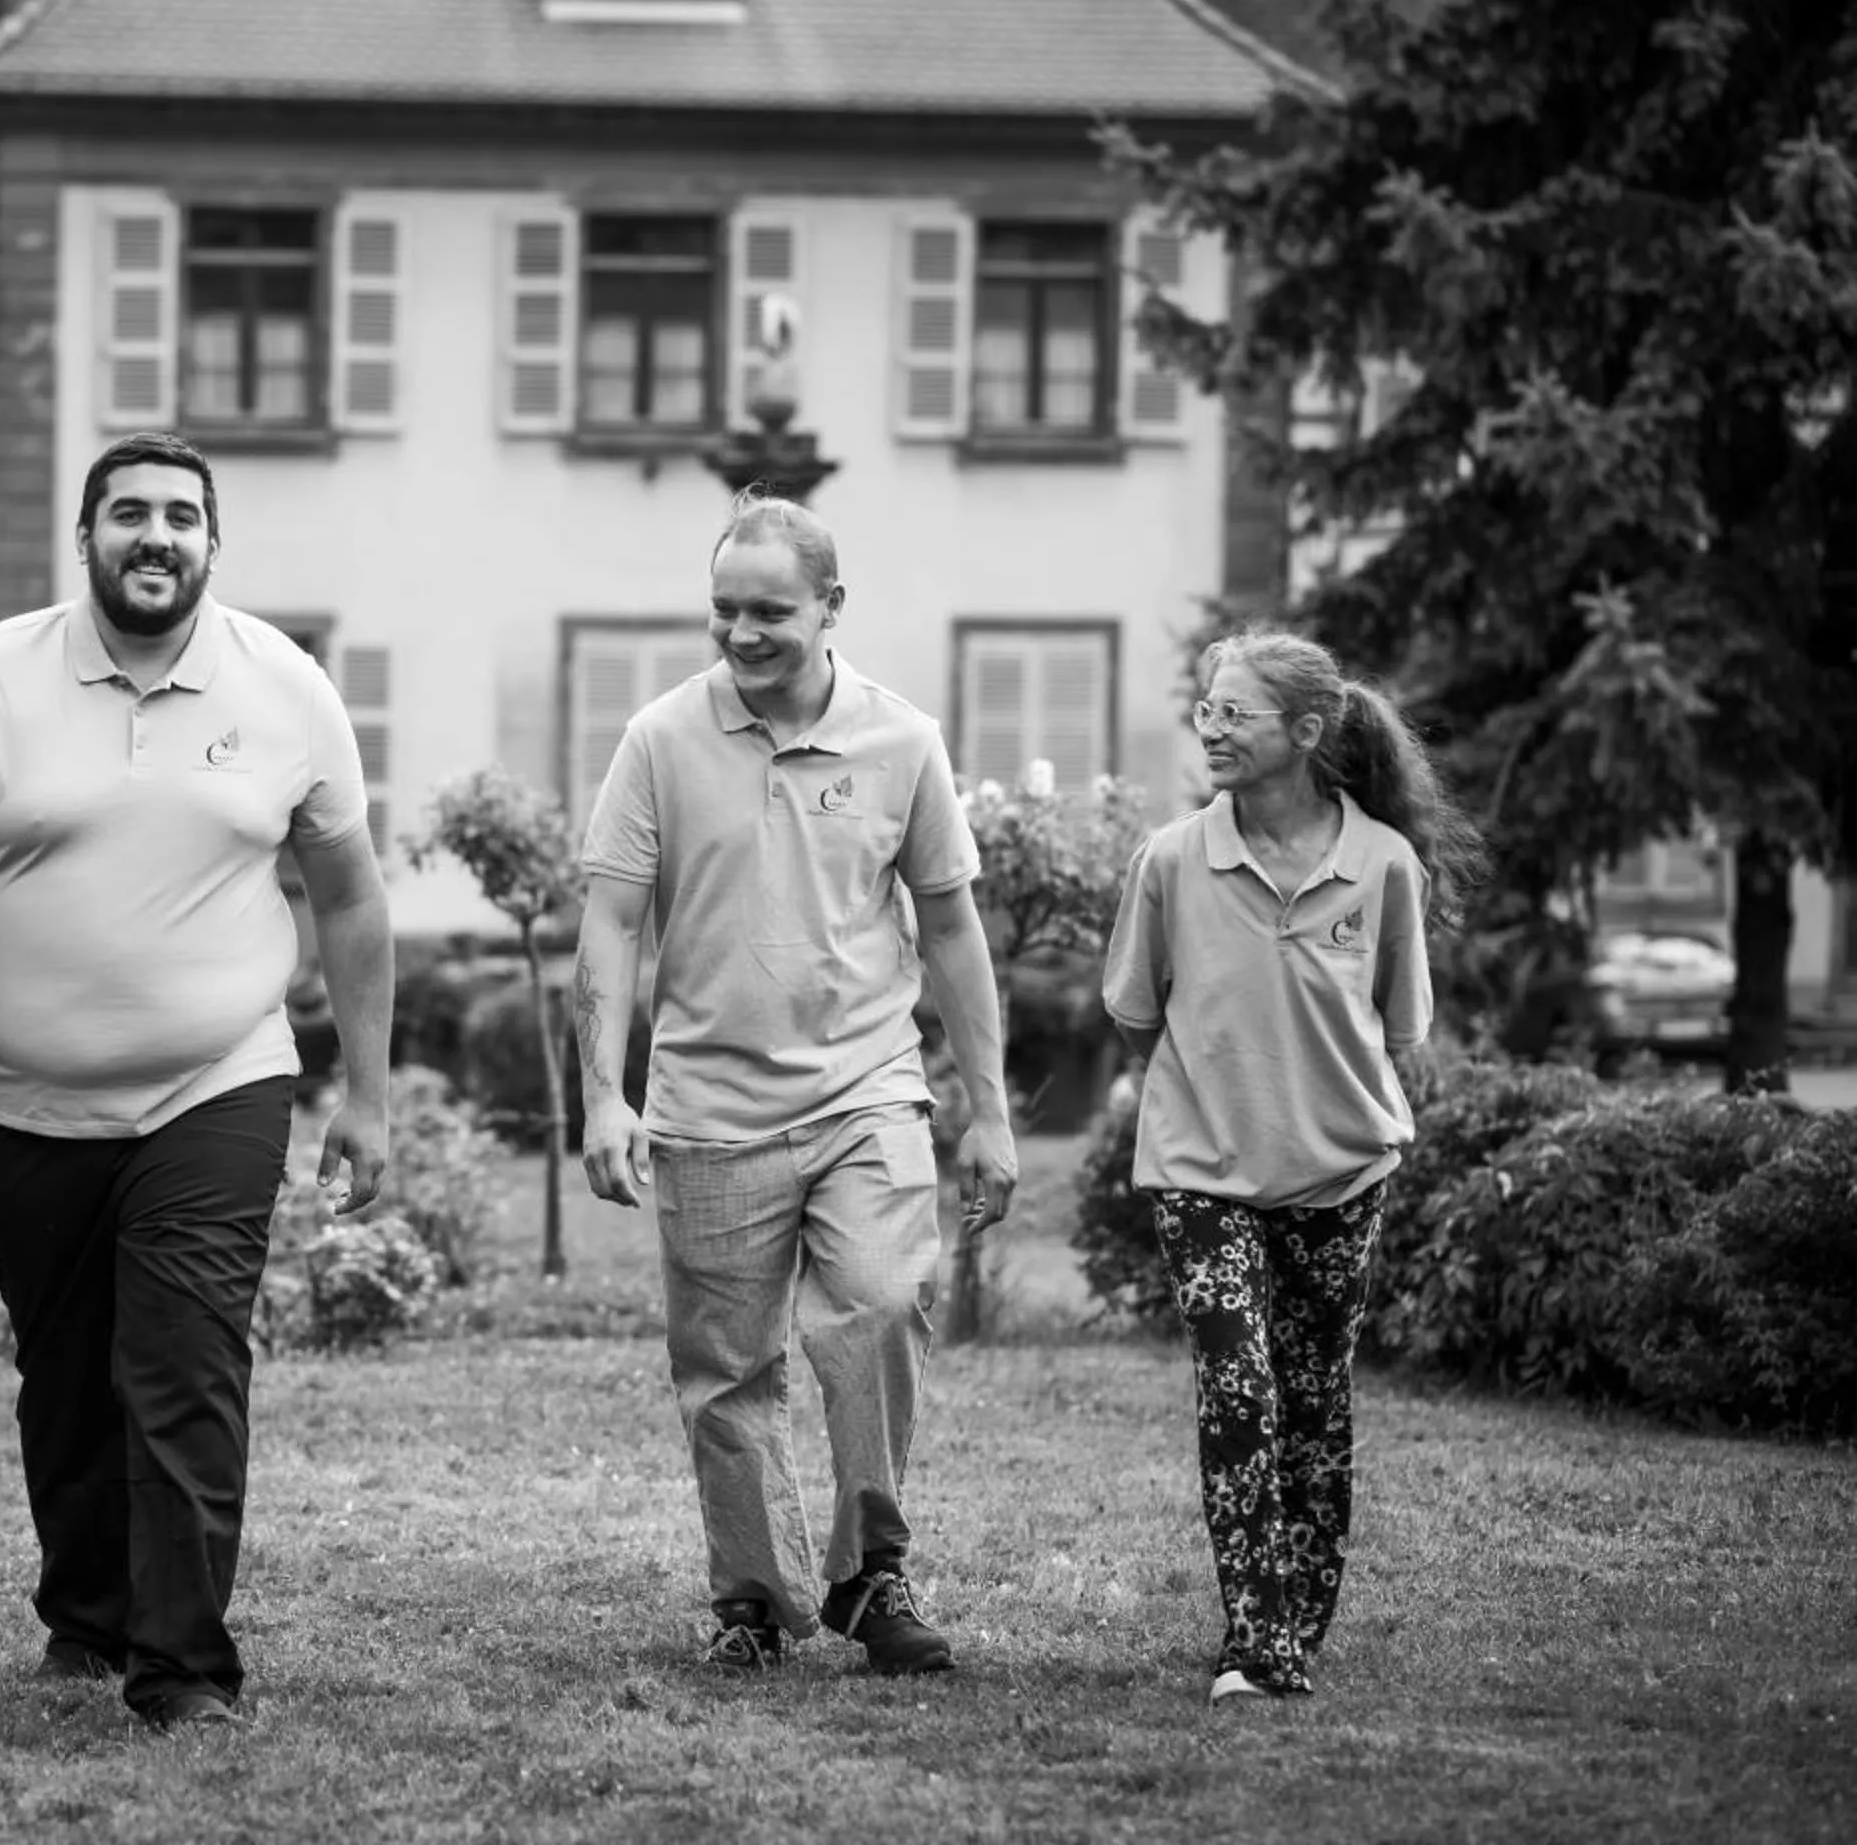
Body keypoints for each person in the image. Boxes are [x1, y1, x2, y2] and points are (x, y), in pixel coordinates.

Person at [0, 429, 394, 1735]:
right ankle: (88, 1618)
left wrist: (369, 1096)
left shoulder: (286, 687)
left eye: (180, 516)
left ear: (215, 544)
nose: (154, 537)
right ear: (87, 535)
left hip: (216, 1084)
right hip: (17, 1098)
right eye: (128, 514)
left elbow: (351, 899)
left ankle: (182, 1666)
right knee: (67, 1374)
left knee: (186, 1363)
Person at [574, 492, 1019, 1677]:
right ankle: (758, 1602)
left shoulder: (901, 739)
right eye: (723, 608)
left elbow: (954, 930)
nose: (741, 632)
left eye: (770, 609)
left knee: (877, 1304)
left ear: (831, 607)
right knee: (728, 1372)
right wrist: (604, 1095)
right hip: (709, 1104)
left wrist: (989, 1106)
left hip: (866, 1085)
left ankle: (870, 1573)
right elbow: (611, 922)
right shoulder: (661, 738)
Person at [1099, 625, 1479, 1707]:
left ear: (1307, 731)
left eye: (1236, 712)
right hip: (1203, 1171)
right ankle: (1258, 1639)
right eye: (1206, 708)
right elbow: (1138, 1012)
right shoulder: (1173, 858)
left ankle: (1301, 1614)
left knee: (1314, 1397)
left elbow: (1401, 1026)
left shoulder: (1383, 867)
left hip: (1343, 1171)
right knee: (1240, 1387)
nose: (1211, 728)